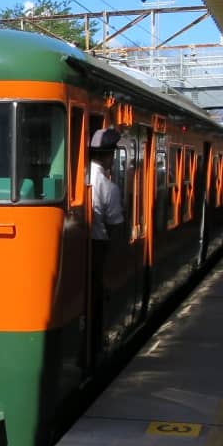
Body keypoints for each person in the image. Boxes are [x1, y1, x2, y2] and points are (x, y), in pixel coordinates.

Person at [88, 127, 124, 363]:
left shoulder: (76, 175)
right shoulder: (108, 187)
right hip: (98, 248)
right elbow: (115, 224)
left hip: (79, 247)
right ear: (109, 155)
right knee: (99, 295)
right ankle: (95, 346)